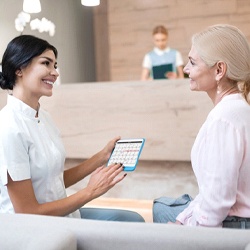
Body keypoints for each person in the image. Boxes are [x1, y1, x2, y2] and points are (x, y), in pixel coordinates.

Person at [0, 35, 144, 222]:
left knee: (131, 220)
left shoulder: (44, 118)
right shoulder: (8, 127)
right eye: (46, 63)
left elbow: (53, 181)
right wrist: (90, 191)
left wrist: (101, 157)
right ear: (19, 68)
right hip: (35, 228)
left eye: (55, 66)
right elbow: (28, 212)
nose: (55, 72)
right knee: (131, 224)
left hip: (63, 216)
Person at [153, 24, 250, 229]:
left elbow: (215, 205)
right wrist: (184, 218)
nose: (186, 70)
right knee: (163, 207)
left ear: (219, 70)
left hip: (235, 226)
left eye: (192, 63)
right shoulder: (240, 107)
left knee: (160, 210)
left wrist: (185, 230)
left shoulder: (223, 119)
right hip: (236, 219)